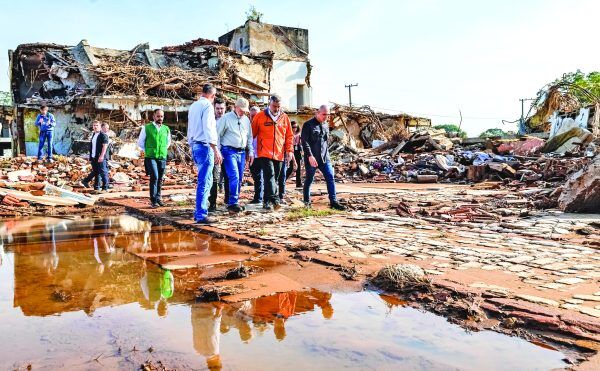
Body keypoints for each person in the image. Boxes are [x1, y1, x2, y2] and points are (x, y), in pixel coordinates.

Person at [251, 95, 293, 211]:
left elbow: (289, 136)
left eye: (278, 106)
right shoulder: (260, 116)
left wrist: (289, 150)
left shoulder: (284, 118)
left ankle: (267, 202)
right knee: (269, 175)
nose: (276, 109)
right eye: (274, 106)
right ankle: (275, 199)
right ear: (269, 104)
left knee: (274, 179)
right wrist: (249, 150)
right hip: (264, 152)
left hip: (279, 153)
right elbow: (252, 134)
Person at [188, 84, 222, 224]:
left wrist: (191, 145)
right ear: (212, 96)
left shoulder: (193, 106)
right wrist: (215, 149)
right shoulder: (207, 106)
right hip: (205, 146)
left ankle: (200, 212)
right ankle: (201, 214)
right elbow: (209, 129)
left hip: (196, 145)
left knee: (204, 181)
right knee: (205, 181)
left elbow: (190, 128)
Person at [301, 105, 345, 210]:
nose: (326, 117)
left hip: (325, 158)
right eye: (324, 114)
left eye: (328, 115)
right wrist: (310, 156)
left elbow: (325, 142)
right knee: (309, 179)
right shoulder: (308, 125)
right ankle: (306, 203)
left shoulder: (325, 125)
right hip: (312, 158)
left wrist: (327, 154)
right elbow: (304, 142)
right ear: (317, 112)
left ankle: (333, 202)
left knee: (330, 177)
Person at [217, 98, 253, 213]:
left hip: (241, 152)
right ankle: (232, 202)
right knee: (234, 176)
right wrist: (217, 151)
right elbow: (217, 135)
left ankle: (234, 201)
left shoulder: (246, 120)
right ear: (235, 107)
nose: (243, 112)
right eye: (241, 110)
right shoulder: (226, 118)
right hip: (228, 150)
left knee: (239, 178)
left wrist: (250, 151)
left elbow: (249, 137)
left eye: (244, 110)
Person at [137, 109, 171, 208]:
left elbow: (168, 142)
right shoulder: (146, 128)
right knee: (154, 177)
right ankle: (153, 200)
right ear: (154, 116)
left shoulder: (166, 128)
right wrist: (148, 150)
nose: (160, 118)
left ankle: (159, 198)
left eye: (162, 116)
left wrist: (163, 149)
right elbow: (140, 142)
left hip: (162, 156)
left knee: (160, 178)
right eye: (158, 116)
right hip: (151, 157)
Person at [208, 98, 227, 212]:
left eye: (222, 108)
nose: (220, 111)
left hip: (227, 151)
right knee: (214, 178)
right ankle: (212, 203)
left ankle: (229, 202)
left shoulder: (229, 120)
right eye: (218, 108)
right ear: (214, 108)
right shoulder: (210, 120)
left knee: (228, 177)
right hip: (214, 152)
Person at [81, 121, 110, 192]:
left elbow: (105, 146)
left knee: (103, 172)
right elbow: (93, 146)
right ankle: (96, 188)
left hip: (101, 157)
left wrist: (102, 156)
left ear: (100, 126)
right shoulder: (94, 134)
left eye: (97, 125)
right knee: (96, 172)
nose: (95, 127)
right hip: (94, 156)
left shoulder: (103, 135)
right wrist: (90, 156)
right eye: (94, 125)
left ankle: (105, 188)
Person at [248, 106, 263, 204]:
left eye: (256, 115)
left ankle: (260, 198)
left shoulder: (263, 126)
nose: (254, 118)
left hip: (262, 155)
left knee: (261, 177)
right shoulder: (247, 126)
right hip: (252, 156)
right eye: (252, 116)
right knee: (256, 177)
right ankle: (258, 197)